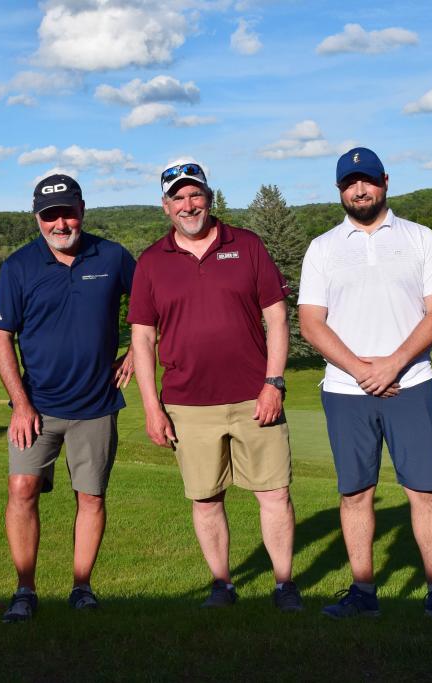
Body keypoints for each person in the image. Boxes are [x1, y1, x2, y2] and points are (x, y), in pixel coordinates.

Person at [297, 147, 432, 625]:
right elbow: (311, 322)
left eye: (368, 180)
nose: (360, 189)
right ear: (339, 190)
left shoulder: (420, 238)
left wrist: (392, 364)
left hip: (411, 384)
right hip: (346, 391)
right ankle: (363, 591)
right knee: (355, 492)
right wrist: (360, 369)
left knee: (426, 492)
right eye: (351, 183)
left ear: (385, 182)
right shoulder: (323, 248)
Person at [129, 158, 302, 612]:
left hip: (254, 395)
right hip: (188, 403)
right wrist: (152, 406)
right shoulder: (150, 261)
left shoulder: (246, 245)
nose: (189, 205)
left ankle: (284, 585)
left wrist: (274, 382)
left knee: (275, 493)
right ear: (164, 206)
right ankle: (222, 585)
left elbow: (277, 316)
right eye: (178, 197)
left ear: (210, 197)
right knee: (206, 499)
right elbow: (143, 338)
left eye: (195, 194)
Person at [0, 174, 136, 622]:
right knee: (21, 487)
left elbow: (158, 309)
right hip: (37, 406)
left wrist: (135, 353)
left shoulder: (112, 257)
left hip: (96, 404)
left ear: (82, 210)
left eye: (67, 212)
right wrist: (19, 403)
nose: (60, 222)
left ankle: (81, 586)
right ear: (37, 218)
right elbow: (0, 338)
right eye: (49, 215)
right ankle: (24, 589)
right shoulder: (19, 266)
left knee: (90, 496)